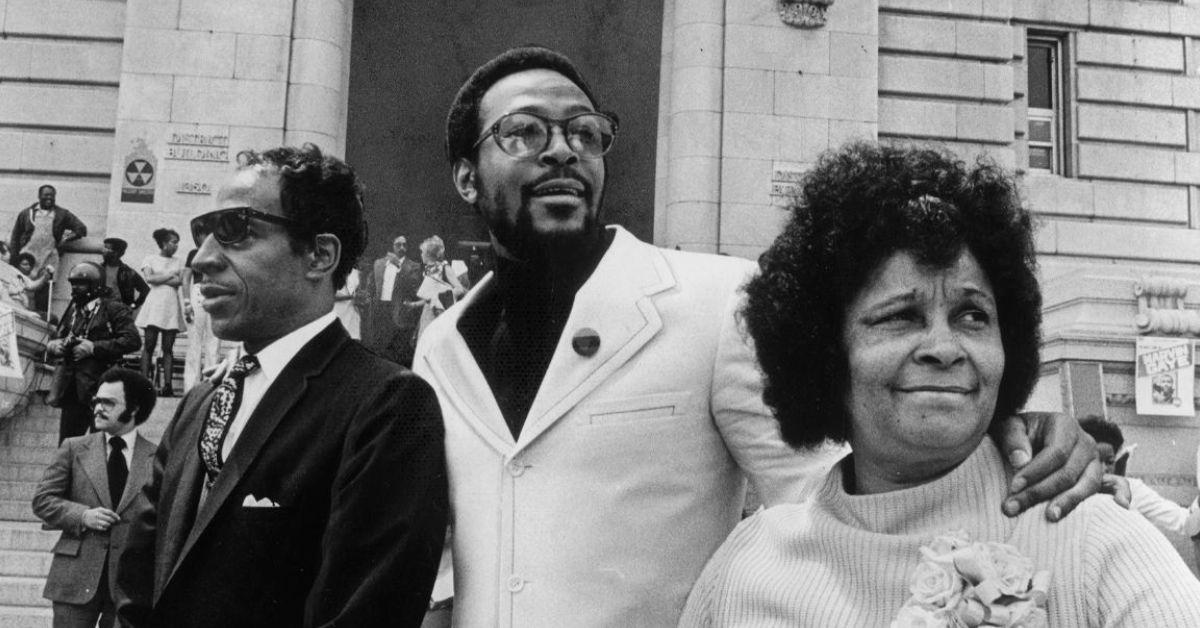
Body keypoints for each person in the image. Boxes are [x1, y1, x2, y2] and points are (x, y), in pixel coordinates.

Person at [414, 46, 1100, 626]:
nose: (562, 151)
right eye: (523, 133)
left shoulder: (713, 305)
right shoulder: (439, 347)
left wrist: (1004, 441)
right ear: (467, 176)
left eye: (585, 133)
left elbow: (836, 506)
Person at [679, 142, 1200, 625]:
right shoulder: (747, 567)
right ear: (824, 351)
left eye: (973, 315)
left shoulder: (1095, 542)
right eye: (901, 316)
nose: (945, 347)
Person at [115, 144, 448, 628]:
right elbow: (137, 582)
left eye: (234, 231)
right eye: (202, 234)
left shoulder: (388, 405)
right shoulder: (200, 402)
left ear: (320, 254)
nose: (202, 259)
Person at [31, 367, 157, 628]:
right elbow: (43, 499)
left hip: (128, 585)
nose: (98, 408)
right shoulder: (73, 447)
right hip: (75, 577)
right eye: (97, 401)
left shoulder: (157, 458)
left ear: (134, 408)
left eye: (108, 402)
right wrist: (83, 515)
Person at [47, 262, 141, 443]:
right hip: (72, 390)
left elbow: (132, 340)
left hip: (102, 387)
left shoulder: (113, 308)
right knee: (67, 446)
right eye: (73, 284)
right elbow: (62, 336)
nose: (75, 288)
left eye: (80, 284)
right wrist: (54, 345)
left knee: (99, 447)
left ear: (95, 285)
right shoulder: (73, 310)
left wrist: (94, 348)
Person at [1078, 415, 1200, 538]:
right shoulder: (1065, 492)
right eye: (1095, 460)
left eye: (1109, 462)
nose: (1104, 469)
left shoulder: (1134, 490)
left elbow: (1182, 520)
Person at [10, 184, 87, 313]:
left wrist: (65, 239)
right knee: (20, 293)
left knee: (43, 296)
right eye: (46, 195)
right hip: (26, 260)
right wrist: (13, 260)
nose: (49, 198)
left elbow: (81, 229)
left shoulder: (62, 214)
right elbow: (15, 237)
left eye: (52, 195)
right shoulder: (26, 214)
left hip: (48, 260)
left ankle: (39, 323)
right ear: (39, 196)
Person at [134, 228, 185, 396]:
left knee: (168, 348)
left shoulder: (179, 261)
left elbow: (180, 282)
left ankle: (168, 385)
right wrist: (169, 275)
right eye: (173, 242)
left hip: (170, 306)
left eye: (177, 243)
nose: (176, 246)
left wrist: (161, 278)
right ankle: (143, 383)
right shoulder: (150, 259)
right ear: (164, 243)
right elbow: (149, 279)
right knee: (149, 344)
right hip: (155, 305)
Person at [361, 234, 424, 364]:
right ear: (392, 246)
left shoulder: (413, 266)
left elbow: (414, 288)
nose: (402, 248)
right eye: (398, 245)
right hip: (379, 309)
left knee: (397, 350)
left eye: (404, 245)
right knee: (379, 345)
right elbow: (372, 285)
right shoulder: (378, 263)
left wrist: (399, 268)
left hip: (399, 311)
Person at [180, 248, 224, 391]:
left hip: (216, 290)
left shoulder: (221, 250)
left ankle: (210, 386)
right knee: (194, 343)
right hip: (198, 292)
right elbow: (186, 277)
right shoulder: (193, 253)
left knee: (214, 341)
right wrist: (186, 302)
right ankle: (191, 388)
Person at [415, 235, 466, 337]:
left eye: (422, 252)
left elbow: (460, 289)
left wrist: (440, 294)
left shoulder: (444, 267)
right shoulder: (427, 270)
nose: (421, 255)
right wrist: (414, 305)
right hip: (428, 313)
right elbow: (428, 297)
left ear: (429, 254)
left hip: (440, 313)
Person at [101, 237, 150, 310]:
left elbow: (145, 290)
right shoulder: (98, 269)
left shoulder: (129, 272)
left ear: (116, 253)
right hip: (99, 310)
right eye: (104, 247)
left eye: (107, 248)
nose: (103, 251)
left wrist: (133, 305)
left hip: (120, 312)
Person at [333, 263, 362, 340]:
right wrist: (351, 297)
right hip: (336, 310)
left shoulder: (357, 273)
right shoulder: (335, 273)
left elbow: (356, 293)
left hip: (349, 311)